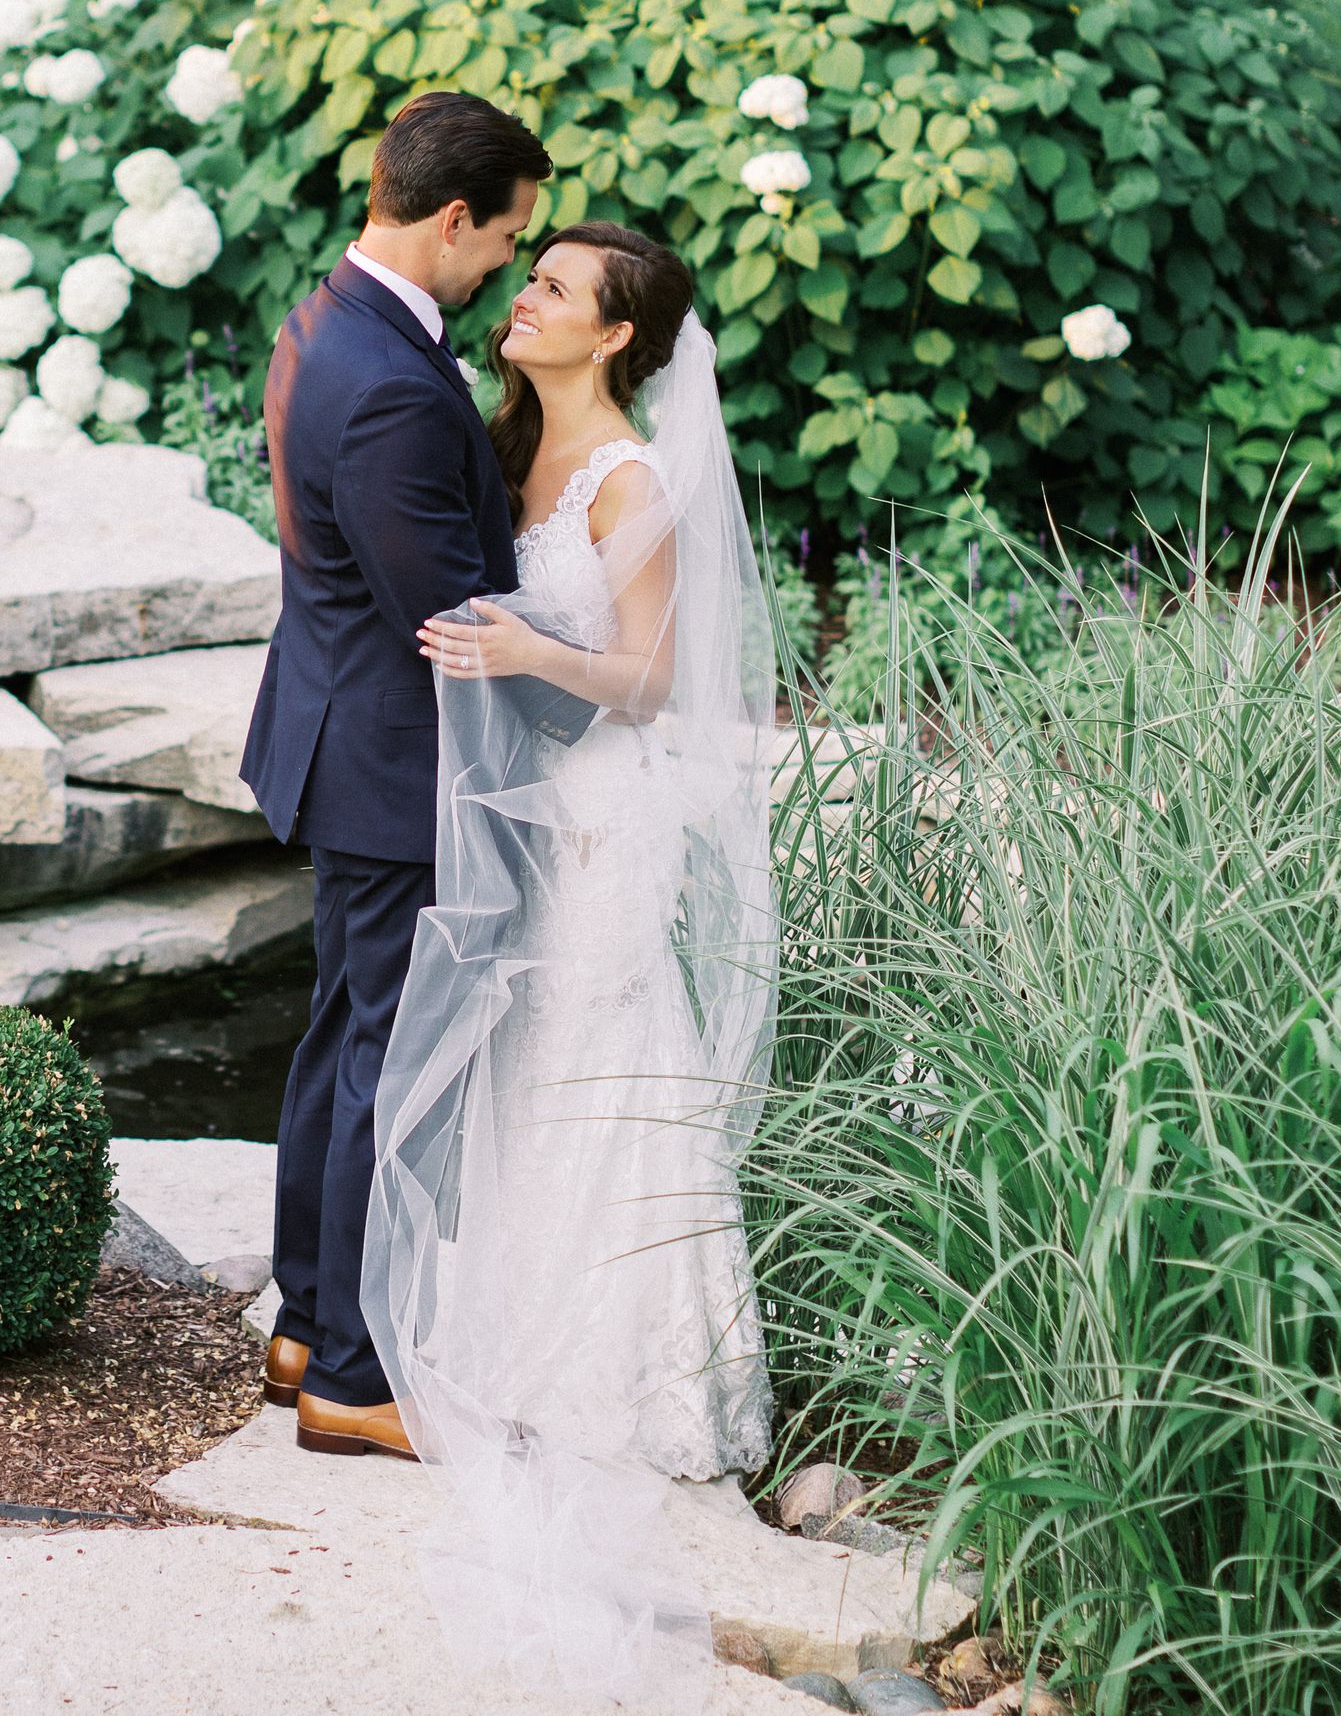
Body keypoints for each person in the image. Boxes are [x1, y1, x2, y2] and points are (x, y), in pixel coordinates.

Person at [379, 220, 781, 1709]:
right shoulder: (499, 448)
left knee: (598, 1060)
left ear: (613, 336)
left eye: (555, 288)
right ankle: (502, 1328)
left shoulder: (631, 480)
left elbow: (651, 677)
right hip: (514, 817)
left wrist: (528, 654)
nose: (525, 297)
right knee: (515, 1057)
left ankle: (629, 1371)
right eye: (531, 274)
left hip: (605, 822)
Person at [237, 89, 558, 1461]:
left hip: (337, 729)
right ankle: (357, 1380)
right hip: (395, 761)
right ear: (449, 217)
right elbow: (457, 616)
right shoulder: (389, 388)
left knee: (341, 1039)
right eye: (504, 240)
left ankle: (307, 1320)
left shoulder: (331, 321)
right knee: (388, 1058)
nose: (503, 266)